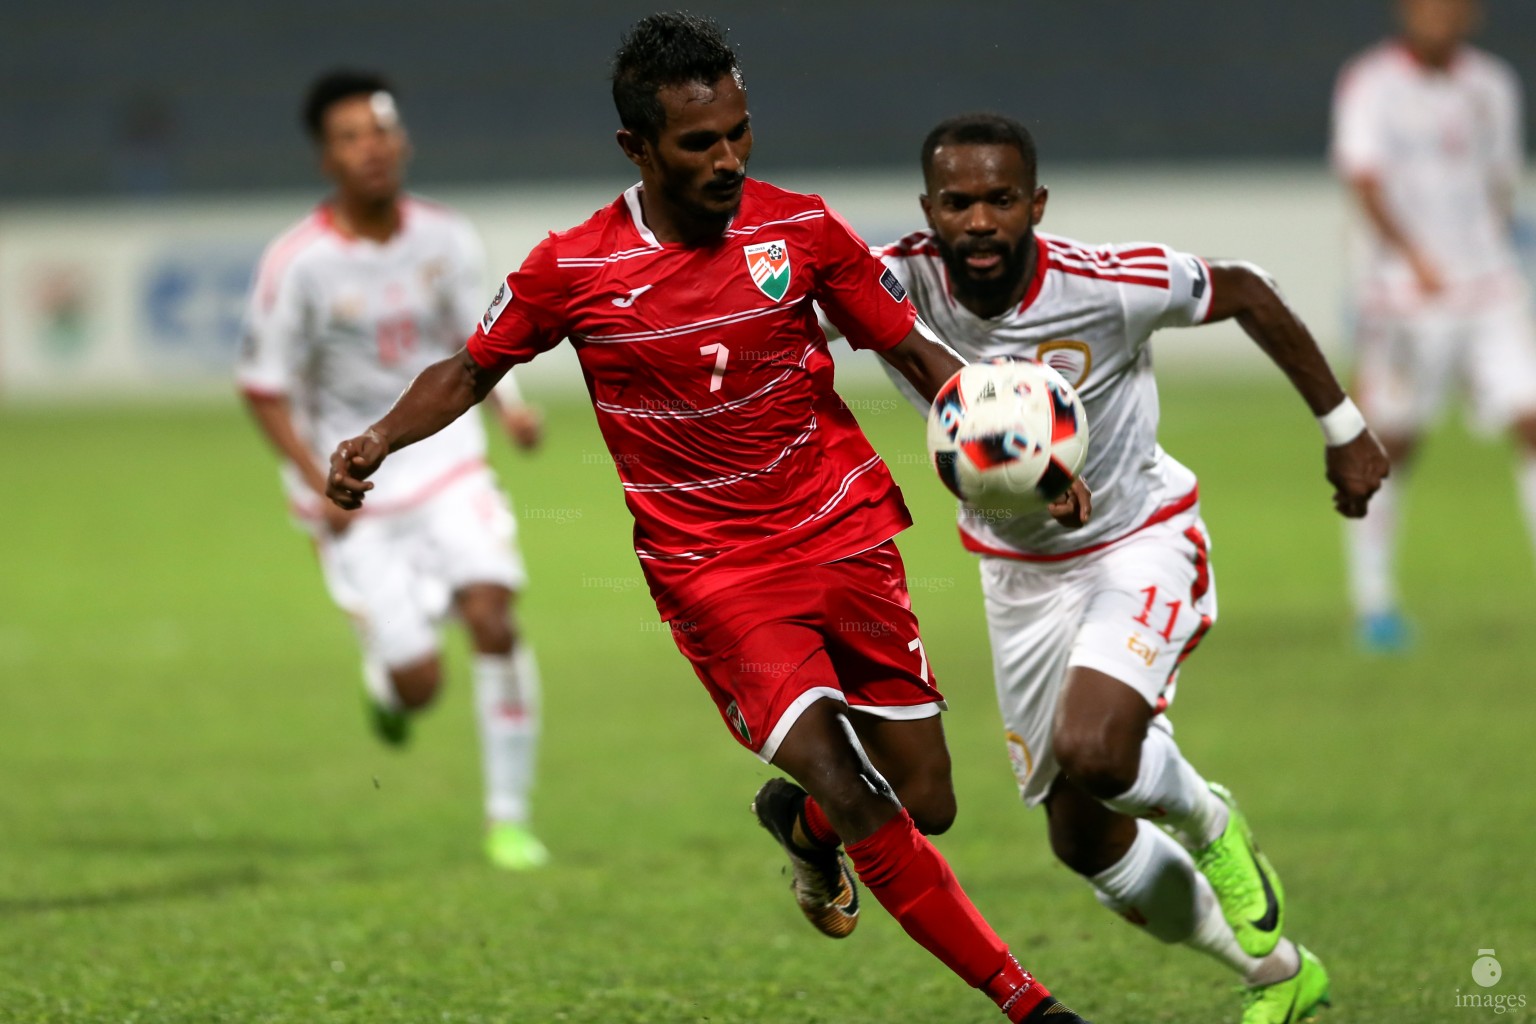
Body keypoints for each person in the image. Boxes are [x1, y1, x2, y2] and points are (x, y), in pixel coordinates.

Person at [324, 15, 1089, 1023]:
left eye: (738, 131)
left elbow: (916, 352)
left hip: (843, 530)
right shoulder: (574, 267)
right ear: (636, 148)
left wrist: (1023, 450)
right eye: (699, 142)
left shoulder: (803, 232)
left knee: (925, 799)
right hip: (713, 572)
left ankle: (804, 828)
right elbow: (473, 366)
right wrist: (376, 440)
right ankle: (1026, 1001)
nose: (728, 157)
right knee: (852, 785)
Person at [872, 113, 1389, 1024]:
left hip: (1137, 539)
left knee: (1098, 748)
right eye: (959, 202)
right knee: (1084, 839)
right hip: (1017, 577)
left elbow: (1251, 292)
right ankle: (1281, 976)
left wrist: (1343, 429)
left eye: (1001, 199)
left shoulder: (1104, 285)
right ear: (930, 209)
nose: (981, 220)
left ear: (1036, 202)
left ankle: (1210, 821)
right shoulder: (891, 283)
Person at [238, 70, 550, 871]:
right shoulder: (297, 264)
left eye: (381, 130)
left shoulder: (446, 239)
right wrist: (317, 482)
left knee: (492, 614)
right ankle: (390, 679)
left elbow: (481, 340)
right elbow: (264, 388)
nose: (371, 148)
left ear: (403, 141)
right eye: (350, 137)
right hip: (356, 486)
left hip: (446, 462)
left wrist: (510, 406)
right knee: (420, 685)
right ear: (325, 160)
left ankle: (508, 820)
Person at [1332, 0, 1536, 651]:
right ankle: (1375, 602)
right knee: (1390, 444)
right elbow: (1363, 180)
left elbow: (1501, 181)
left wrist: (1493, 251)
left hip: (1488, 287)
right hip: (1406, 294)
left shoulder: (1494, 85)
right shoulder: (1371, 83)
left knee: (1532, 420)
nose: (1442, 15)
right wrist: (1414, 257)